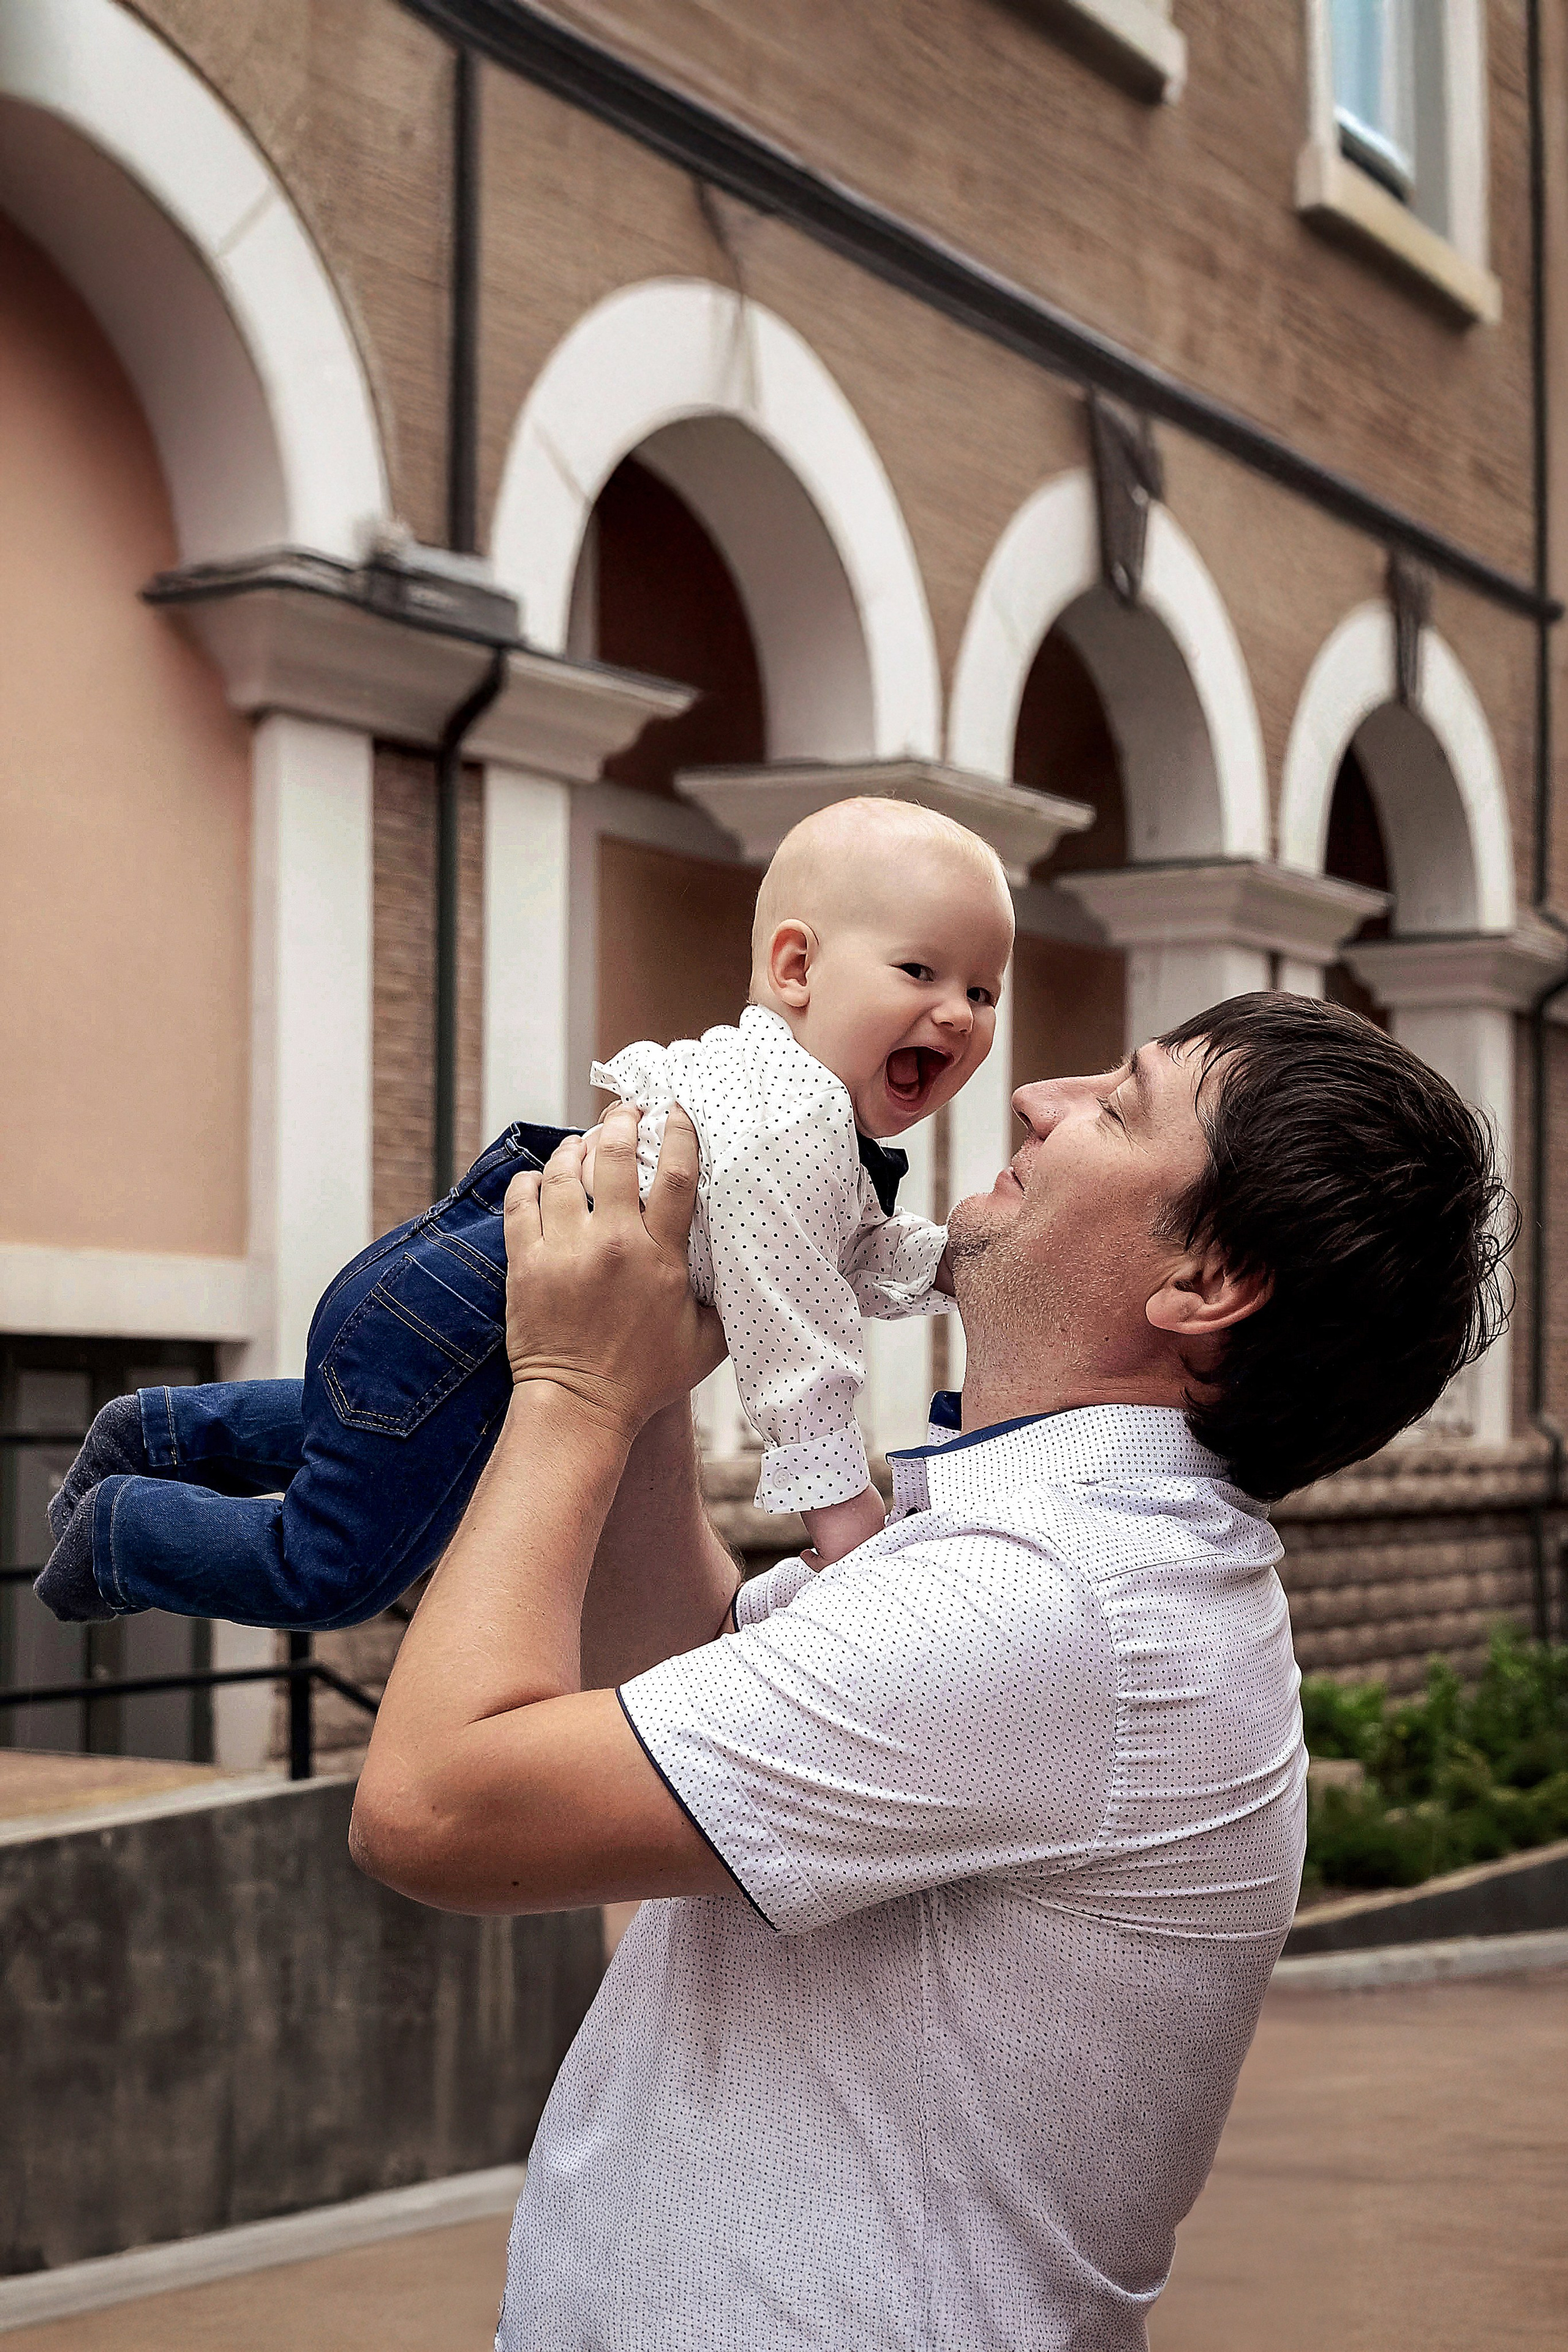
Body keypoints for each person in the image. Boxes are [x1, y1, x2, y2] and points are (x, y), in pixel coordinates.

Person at [349, 991, 1509, 2351]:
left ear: (1202, 1286)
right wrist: (669, 1318)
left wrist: (572, 1389)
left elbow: (434, 1812)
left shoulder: (1054, 1602)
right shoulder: (1062, 1561)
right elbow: (679, 1691)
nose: (1035, 1098)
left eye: (1119, 1105)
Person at [36, 797, 1012, 1630]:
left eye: (982, 989)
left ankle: (161, 1429)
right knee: (329, 1570)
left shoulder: (781, 1097)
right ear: (796, 968)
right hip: (473, 1318)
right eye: (920, 973)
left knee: (402, 1439)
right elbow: (791, 1334)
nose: (962, 1015)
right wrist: (848, 1523)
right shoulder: (792, 1122)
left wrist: (954, 1264)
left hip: (451, 1290)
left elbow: (840, 1251)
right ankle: (122, 1531)